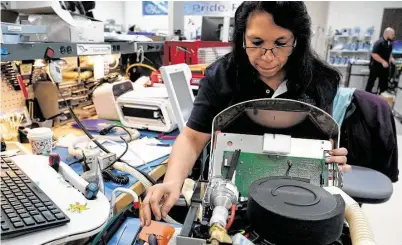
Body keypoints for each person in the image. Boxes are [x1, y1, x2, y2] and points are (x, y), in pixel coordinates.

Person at [140, 1, 398, 227]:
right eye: (256, 43)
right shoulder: (222, 76)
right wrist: (173, 182)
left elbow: (323, 143)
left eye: (280, 43)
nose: (267, 56)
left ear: (297, 40)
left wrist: (331, 161)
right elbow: (192, 138)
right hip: (232, 200)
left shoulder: (321, 80)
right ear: (242, 38)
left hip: (299, 202)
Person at [365, 27, 396, 94]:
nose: (393, 36)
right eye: (392, 34)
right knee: (371, 81)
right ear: (387, 34)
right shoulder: (379, 42)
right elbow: (374, 54)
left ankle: (382, 96)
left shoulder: (389, 43)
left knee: (384, 83)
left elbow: (389, 53)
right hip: (375, 66)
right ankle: (367, 95)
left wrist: (391, 58)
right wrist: (383, 61)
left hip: (384, 67)